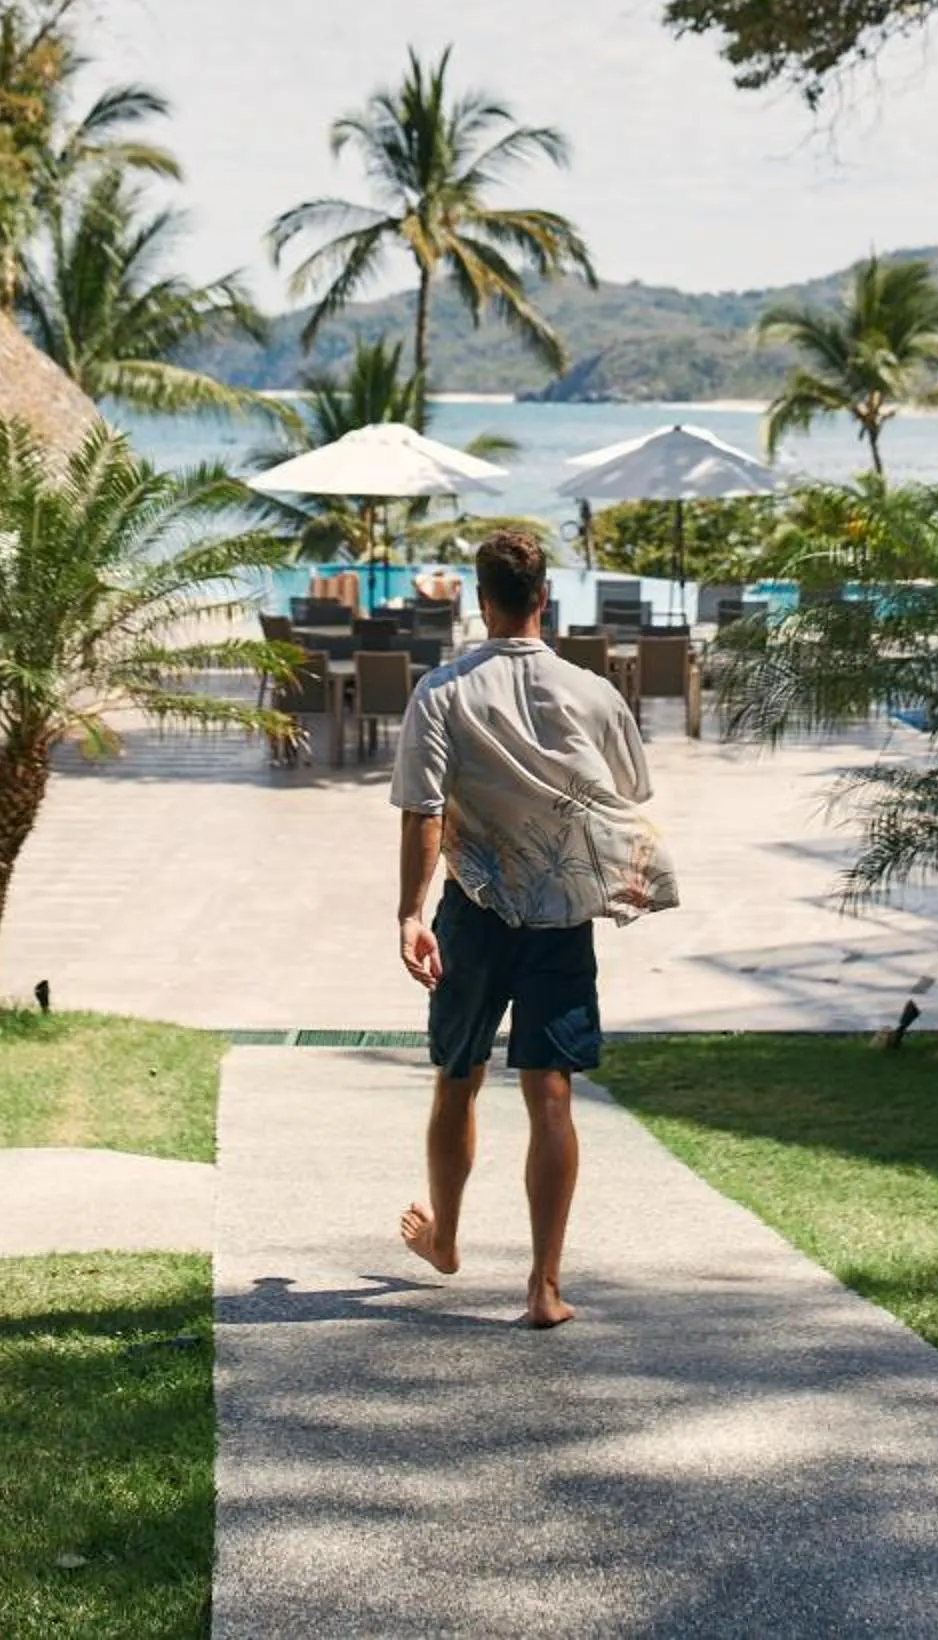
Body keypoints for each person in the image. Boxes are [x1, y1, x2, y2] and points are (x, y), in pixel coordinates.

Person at [391, 525, 678, 1327]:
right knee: (550, 1091)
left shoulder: (442, 691)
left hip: (473, 913)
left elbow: (422, 810)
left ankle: (446, 1239)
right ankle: (544, 1287)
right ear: (542, 600)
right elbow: (627, 789)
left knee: (458, 1076)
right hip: (561, 916)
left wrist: (412, 913)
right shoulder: (594, 691)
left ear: (481, 602)